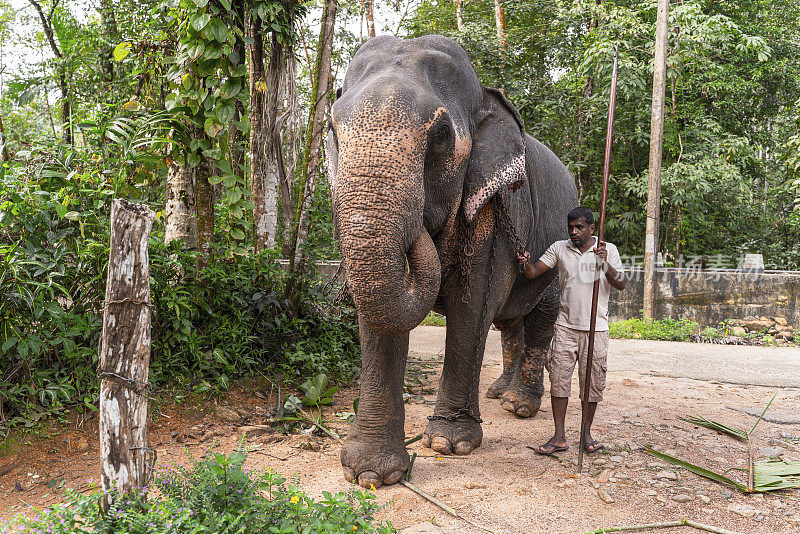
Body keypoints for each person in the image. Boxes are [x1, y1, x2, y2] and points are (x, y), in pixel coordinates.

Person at [516, 206, 626, 454]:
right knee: (559, 381)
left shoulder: (608, 250)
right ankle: (559, 436)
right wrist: (525, 263)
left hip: (596, 329)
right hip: (565, 326)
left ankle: (586, 435)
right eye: (571, 228)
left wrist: (604, 263)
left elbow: (621, 284)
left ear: (591, 228)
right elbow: (534, 272)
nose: (574, 232)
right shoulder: (559, 248)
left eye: (579, 227)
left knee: (592, 384)